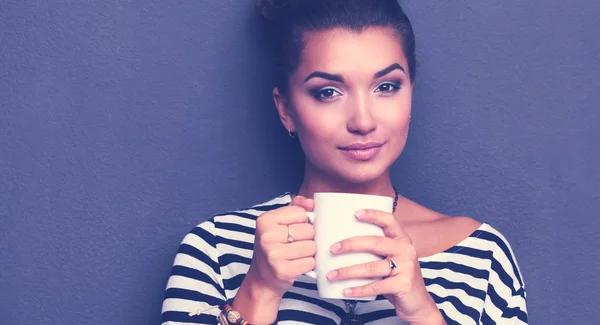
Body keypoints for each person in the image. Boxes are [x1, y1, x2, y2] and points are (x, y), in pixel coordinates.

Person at [160, 0, 528, 324]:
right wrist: (258, 292)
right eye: (328, 92)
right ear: (286, 109)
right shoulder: (217, 249)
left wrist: (424, 315)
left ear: (411, 94)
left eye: (387, 87)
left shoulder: (481, 256)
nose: (363, 121)